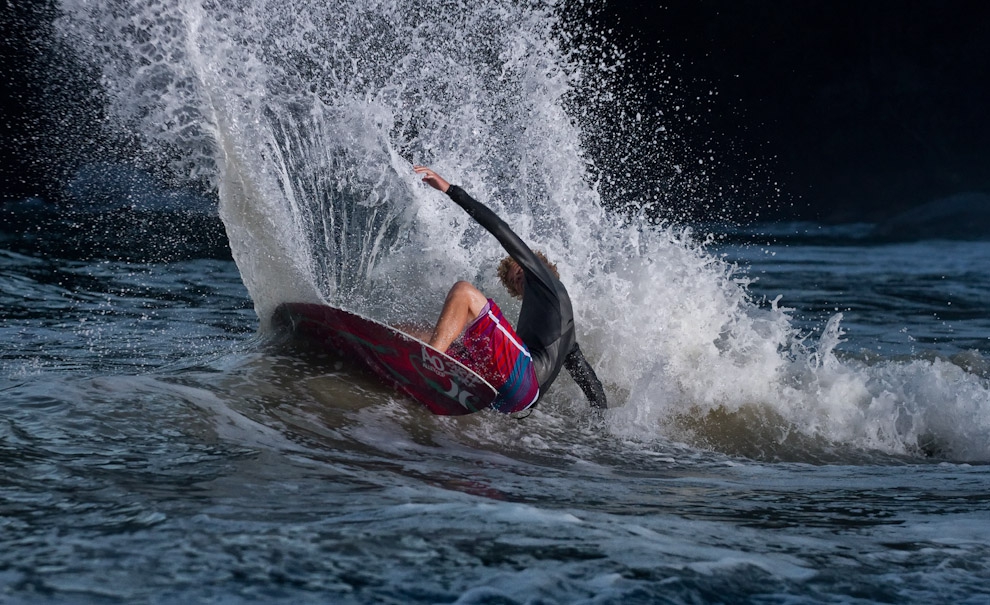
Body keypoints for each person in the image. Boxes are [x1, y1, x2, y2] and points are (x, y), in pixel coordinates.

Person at [413, 165, 607, 413]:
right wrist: (602, 428)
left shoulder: (545, 279)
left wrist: (451, 190)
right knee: (421, 332)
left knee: (463, 292)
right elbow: (590, 383)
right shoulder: (565, 334)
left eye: (519, 271)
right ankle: (395, 356)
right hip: (510, 398)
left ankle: (428, 368)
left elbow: (500, 229)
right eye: (514, 281)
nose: (519, 278)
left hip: (524, 379)